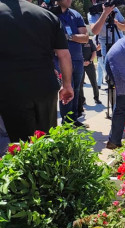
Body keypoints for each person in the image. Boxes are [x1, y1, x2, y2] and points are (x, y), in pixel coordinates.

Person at [0, 0, 73, 144]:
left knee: (21, 144)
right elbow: (64, 54)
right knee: (46, 138)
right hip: (46, 86)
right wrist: (67, 85)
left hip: (11, 89)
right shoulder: (47, 15)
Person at [55, 0, 89, 126]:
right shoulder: (51, 14)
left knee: (75, 89)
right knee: (66, 88)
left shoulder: (76, 15)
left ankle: (73, 119)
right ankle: (66, 122)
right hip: (60, 60)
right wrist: (76, 37)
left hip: (77, 59)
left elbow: (85, 38)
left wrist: (67, 37)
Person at [79, 38, 101, 113]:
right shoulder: (77, 41)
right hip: (80, 65)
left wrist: (90, 61)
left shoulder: (89, 41)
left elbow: (94, 51)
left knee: (93, 82)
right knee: (80, 84)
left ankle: (96, 98)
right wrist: (82, 62)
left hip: (90, 64)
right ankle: (82, 100)